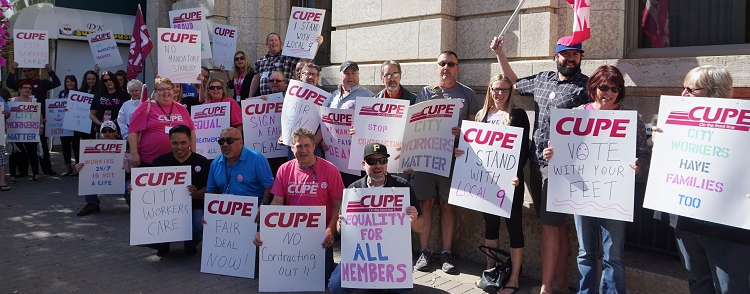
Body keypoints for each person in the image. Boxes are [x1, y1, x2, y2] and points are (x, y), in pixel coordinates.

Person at [492, 35, 590, 294]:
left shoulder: (586, 86)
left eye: (575, 54)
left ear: (581, 58)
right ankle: (559, 283)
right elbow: (514, 83)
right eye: (565, 54)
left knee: (550, 225)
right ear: (555, 57)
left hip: (562, 167)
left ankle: (547, 287)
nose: (570, 59)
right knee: (554, 225)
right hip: (536, 162)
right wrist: (500, 54)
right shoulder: (543, 78)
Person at [542, 65, 650, 294]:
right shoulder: (578, 113)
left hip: (614, 196)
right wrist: (551, 154)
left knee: (613, 256)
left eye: (614, 88)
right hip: (582, 194)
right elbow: (562, 150)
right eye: (603, 87)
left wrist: (639, 165)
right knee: (585, 252)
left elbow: (643, 152)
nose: (608, 93)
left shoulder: (630, 118)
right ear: (593, 88)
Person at [653, 65, 750, 294]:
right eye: (683, 88)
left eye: (691, 89)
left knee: (730, 288)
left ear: (714, 92)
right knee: (698, 283)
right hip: (687, 220)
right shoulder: (674, 121)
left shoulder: (743, 124)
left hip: (728, 224)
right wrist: (661, 145)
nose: (683, 94)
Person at [457, 73, 530, 294]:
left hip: (511, 182)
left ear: (511, 92)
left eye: (504, 90)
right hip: (486, 183)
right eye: (495, 89)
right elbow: (474, 148)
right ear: (489, 90)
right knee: (490, 227)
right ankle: (490, 271)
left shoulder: (518, 115)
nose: (499, 93)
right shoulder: (481, 115)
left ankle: (514, 278)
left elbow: (523, 150)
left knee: (514, 227)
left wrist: (517, 173)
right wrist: (462, 153)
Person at [412, 50, 481, 274]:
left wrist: (463, 133)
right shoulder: (424, 93)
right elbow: (415, 126)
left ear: (457, 68)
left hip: (452, 158)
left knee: (448, 205)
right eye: (442, 63)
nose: (446, 67)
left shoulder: (467, 94)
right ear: (437, 66)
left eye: (451, 64)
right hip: (426, 157)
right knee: (425, 204)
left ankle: (446, 253)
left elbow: (476, 131)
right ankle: (425, 251)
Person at [327, 142, 424, 294]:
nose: (378, 165)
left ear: (387, 163)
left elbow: (421, 228)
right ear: (363, 164)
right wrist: (341, 223)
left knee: (403, 289)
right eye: (372, 161)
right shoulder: (353, 189)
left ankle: (378, 280)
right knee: (335, 286)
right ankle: (368, 279)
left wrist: (414, 219)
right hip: (359, 256)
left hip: (393, 255)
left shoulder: (402, 187)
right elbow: (340, 230)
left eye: (382, 160)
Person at [253, 127, 345, 282]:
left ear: (314, 146)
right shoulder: (284, 169)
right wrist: (266, 230)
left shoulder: (330, 169)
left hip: (319, 231)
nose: (303, 150)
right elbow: (277, 202)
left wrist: (330, 230)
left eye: (307, 146)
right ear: (292, 148)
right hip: (290, 230)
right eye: (299, 146)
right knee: (281, 277)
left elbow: (338, 203)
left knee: (322, 279)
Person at [146, 125, 211, 256]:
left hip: (194, 206)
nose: (179, 147)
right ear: (169, 142)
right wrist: (135, 190)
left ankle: (190, 244)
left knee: (199, 225)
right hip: (165, 207)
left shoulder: (202, 162)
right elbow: (147, 188)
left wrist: (197, 193)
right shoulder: (159, 162)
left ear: (190, 141)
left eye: (183, 143)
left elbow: (209, 188)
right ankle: (162, 244)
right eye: (175, 143)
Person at [7, 62, 61, 176]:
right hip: (23, 121)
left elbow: (57, 83)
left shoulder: (42, 82)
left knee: (42, 144)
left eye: (30, 70)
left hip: (39, 119)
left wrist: (50, 71)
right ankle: (23, 170)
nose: (27, 73)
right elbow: (9, 83)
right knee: (23, 146)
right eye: (25, 71)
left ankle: (47, 169)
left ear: (34, 71)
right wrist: (12, 69)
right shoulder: (20, 83)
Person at [128, 77, 196, 167]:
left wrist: (193, 154)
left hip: (179, 162)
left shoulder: (181, 108)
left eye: (169, 89)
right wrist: (134, 154)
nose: (166, 92)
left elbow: (191, 132)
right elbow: (133, 131)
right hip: (150, 162)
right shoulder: (145, 107)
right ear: (155, 92)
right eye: (162, 89)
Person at [205, 127, 274, 201]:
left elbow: (269, 186)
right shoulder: (215, 164)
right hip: (226, 210)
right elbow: (211, 191)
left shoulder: (257, 159)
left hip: (253, 209)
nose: (225, 144)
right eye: (221, 141)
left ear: (240, 142)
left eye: (229, 140)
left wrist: (262, 208)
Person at [76, 121, 125, 216]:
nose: (107, 134)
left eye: (110, 131)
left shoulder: (125, 145)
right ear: (101, 133)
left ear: (116, 132)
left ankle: (134, 203)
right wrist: (79, 167)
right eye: (104, 131)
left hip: (122, 178)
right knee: (87, 175)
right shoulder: (91, 146)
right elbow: (88, 165)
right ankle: (92, 203)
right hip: (102, 177)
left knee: (130, 187)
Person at [250, 32, 322, 96]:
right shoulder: (260, 61)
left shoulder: (288, 57)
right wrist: (250, 97)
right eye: (271, 40)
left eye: (276, 40)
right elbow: (256, 80)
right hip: (265, 101)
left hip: (284, 98)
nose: (274, 42)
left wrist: (317, 45)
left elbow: (306, 62)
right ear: (266, 44)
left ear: (280, 43)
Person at [8, 80, 43, 182]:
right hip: (15, 132)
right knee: (14, 153)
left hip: (30, 132)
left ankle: (36, 174)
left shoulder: (33, 102)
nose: (27, 90)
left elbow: (39, 116)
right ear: (19, 89)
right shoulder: (12, 101)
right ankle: (12, 176)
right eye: (25, 87)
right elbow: (8, 116)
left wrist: (41, 127)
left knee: (32, 152)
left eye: (30, 88)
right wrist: (6, 126)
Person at [90, 71, 129, 135]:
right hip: (101, 130)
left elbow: (126, 114)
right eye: (105, 80)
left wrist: (114, 121)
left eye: (110, 79)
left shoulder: (124, 95)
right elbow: (92, 114)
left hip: (118, 130)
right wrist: (101, 123)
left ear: (114, 80)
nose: (108, 82)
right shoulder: (98, 95)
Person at [58, 74, 81, 176]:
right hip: (63, 124)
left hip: (75, 124)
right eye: (68, 82)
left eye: (72, 81)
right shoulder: (62, 93)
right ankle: (68, 167)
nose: (70, 83)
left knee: (76, 146)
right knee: (65, 146)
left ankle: (77, 168)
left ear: (75, 83)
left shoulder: (80, 94)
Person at [0, 97, 10, 191]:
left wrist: (6, 113)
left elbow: (8, 113)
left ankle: (2, 181)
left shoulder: (0, 98)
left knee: (1, 158)